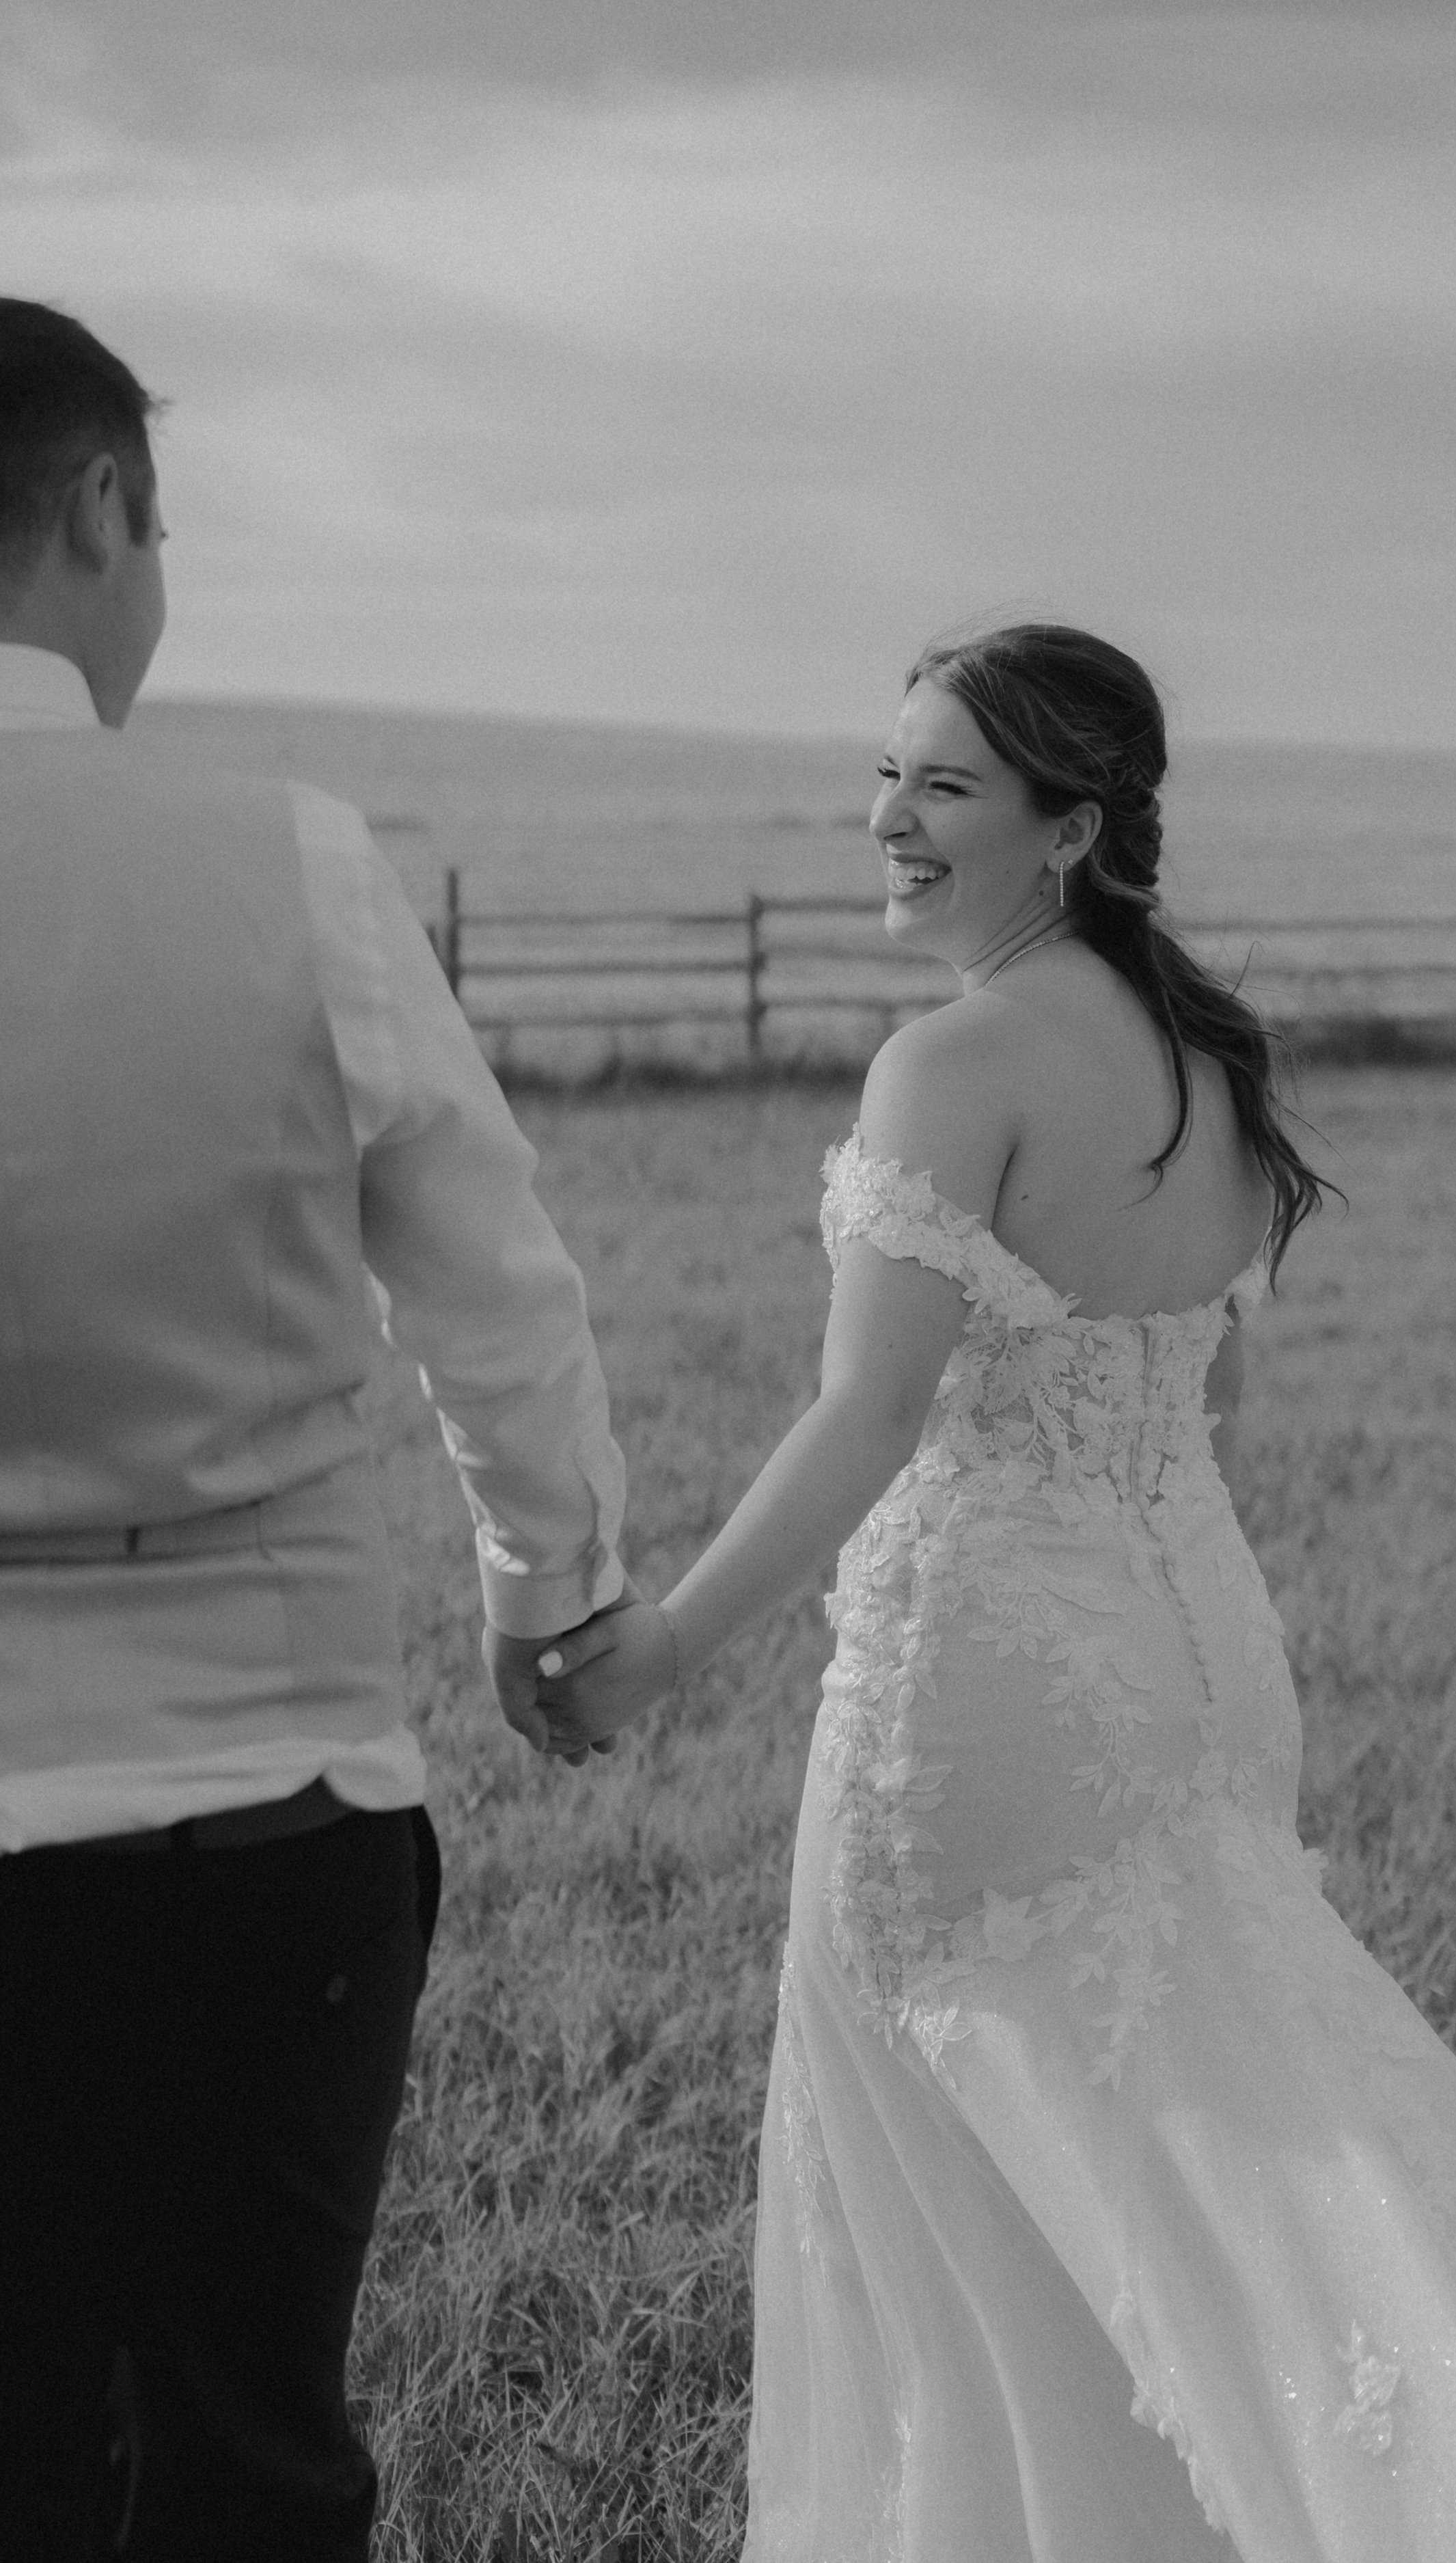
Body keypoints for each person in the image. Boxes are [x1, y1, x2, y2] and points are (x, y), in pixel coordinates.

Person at [545, 623, 1456, 2558]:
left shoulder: (952, 1063)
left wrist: (657, 1649)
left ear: (1068, 828)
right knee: (1222, 2169)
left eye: (942, 785)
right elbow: (1208, 1382)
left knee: (969, 2199)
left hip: (981, 1691)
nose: (887, 819)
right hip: (1194, 1657)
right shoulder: (1201, 1058)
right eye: (889, 771)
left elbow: (865, 1416)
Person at [0, 299, 629, 2561]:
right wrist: (546, 1594)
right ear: (96, 507)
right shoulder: (285, 854)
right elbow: (493, 1283)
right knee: (249, 2452)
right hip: (259, 1813)